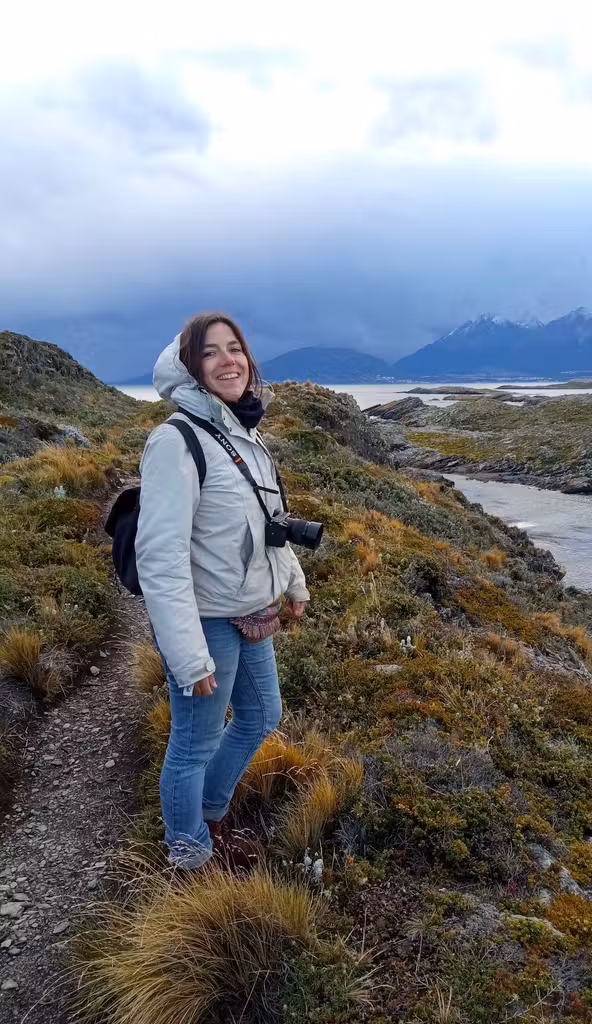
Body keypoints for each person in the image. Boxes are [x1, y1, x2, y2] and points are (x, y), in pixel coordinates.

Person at [135, 312, 310, 871]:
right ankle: (188, 860)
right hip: (208, 619)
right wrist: (187, 655)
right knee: (194, 743)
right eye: (211, 352)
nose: (228, 360)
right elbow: (160, 558)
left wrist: (293, 582)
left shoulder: (245, 432)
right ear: (191, 367)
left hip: (253, 609)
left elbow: (269, 521)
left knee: (261, 716)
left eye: (235, 348)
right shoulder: (176, 440)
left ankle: (209, 814)